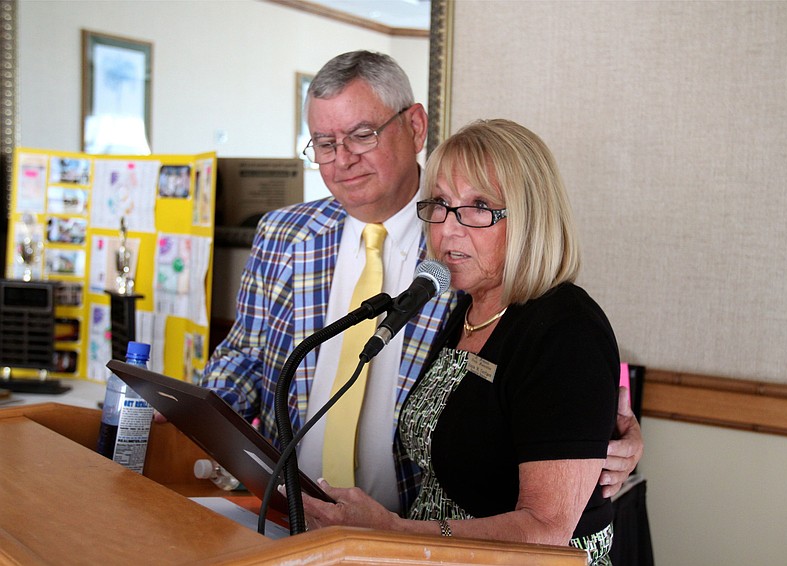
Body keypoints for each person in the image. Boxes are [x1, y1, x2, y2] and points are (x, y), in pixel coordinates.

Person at [201, 51, 641, 518]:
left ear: (414, 126)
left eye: (361, 135)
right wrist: (190, 418)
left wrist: (605, 437)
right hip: (286, 512)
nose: (343, 159)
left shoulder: (469, 258)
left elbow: (545, 380)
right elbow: (242, 357)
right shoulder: (282, 234)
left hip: (414, 529)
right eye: (325, 143)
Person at [297, 118, 620, 563]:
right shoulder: (468, 309)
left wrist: (395, 530)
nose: (448, 229)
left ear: (531, 218)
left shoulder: (566, 330)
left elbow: (546, 529)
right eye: (441, 204)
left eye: (479, 206)